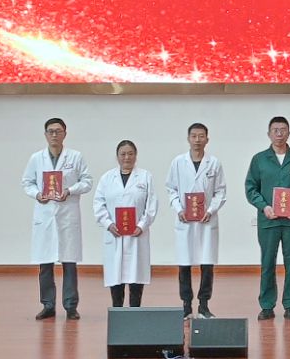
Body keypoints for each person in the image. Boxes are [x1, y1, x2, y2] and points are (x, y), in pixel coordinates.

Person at [21, 117, 93, 320]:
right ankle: (48, 305)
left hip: (67, 214)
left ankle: (71, 306)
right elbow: (27, 182)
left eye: (58, 131)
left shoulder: (75, 157)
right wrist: (37, 194)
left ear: (65, 134)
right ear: (45, 135)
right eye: (51, 131)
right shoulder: (36, 158)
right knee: (45, 265)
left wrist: (70, 190)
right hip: (45, 215)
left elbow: (87, 181)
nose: (54, 135)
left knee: (69, 264)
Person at [244, 116, 290, 321]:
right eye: (275, 130)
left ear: (289, 133)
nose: (279, 134)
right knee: (267, 263)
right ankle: (267, 305)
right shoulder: (259, 159)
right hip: (269, 220)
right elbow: (251, 188)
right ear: (269, 134)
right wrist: (264, 206)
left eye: (283, 130)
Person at [165, 122, 227, 319]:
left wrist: (211, 210)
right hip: (185, 221)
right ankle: (186, 305)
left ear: (207, 139)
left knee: (207, 264)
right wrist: (178, 209)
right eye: (194, 136)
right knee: (184, 264)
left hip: (206, 221)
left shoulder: (214, 163)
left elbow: (221, 191)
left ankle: (203, 305)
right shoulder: (178, 162)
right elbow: (171, 189)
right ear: (188, 138)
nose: (197, 140)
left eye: (201, 136)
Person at [93, 140, 158, 308]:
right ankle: (117, 311)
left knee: (136, 276)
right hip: (115, 233)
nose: (127, 157)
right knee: (116, 276)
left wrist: (142, 225)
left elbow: (151, 205)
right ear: (117, 157)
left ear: (136, 156)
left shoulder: (145, 176)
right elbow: (98, 204)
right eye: (123, 154)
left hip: (137, 234)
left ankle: (135, 312)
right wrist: (108, 224)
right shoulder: (107, 178)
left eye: (130, 154)